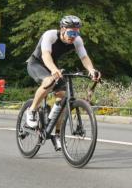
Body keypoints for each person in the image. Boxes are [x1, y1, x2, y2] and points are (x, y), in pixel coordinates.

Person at [23, 16, 100, 145]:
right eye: (70, 32)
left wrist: (92, 70)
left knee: (63, 96)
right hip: (36, 64)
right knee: (49, 81)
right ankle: (31, 111)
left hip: (52, 66)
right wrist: (53, 70)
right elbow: (46, 55)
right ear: (62, 29)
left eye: (76, 33)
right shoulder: (50, 35)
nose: (73, 36)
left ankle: (57, 134)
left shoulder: (77, 40)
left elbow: (84, 57)